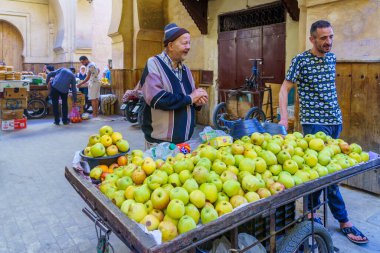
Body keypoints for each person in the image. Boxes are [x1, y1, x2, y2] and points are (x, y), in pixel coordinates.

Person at [278, 20, 368, 244]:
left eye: (330, 37)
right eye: (323, 38)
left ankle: (310, 213)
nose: (328, 42)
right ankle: (344, 220)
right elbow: (284, 88)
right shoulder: (301, 60)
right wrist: (283, 117)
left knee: (317, 173)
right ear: (312, 39)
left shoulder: (332, 57)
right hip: (314, 125)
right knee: (330, 174)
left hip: (335, 122)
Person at [140, 23, 208, 147]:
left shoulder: (186, 70)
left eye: (189, 43)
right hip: (160, 144)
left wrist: (197, 102)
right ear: (171, 45)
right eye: (184, 43)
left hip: (184, 141)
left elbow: (189, 99)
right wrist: (190, 98)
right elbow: (157, 98)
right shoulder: (154, 63)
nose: (188, 47)